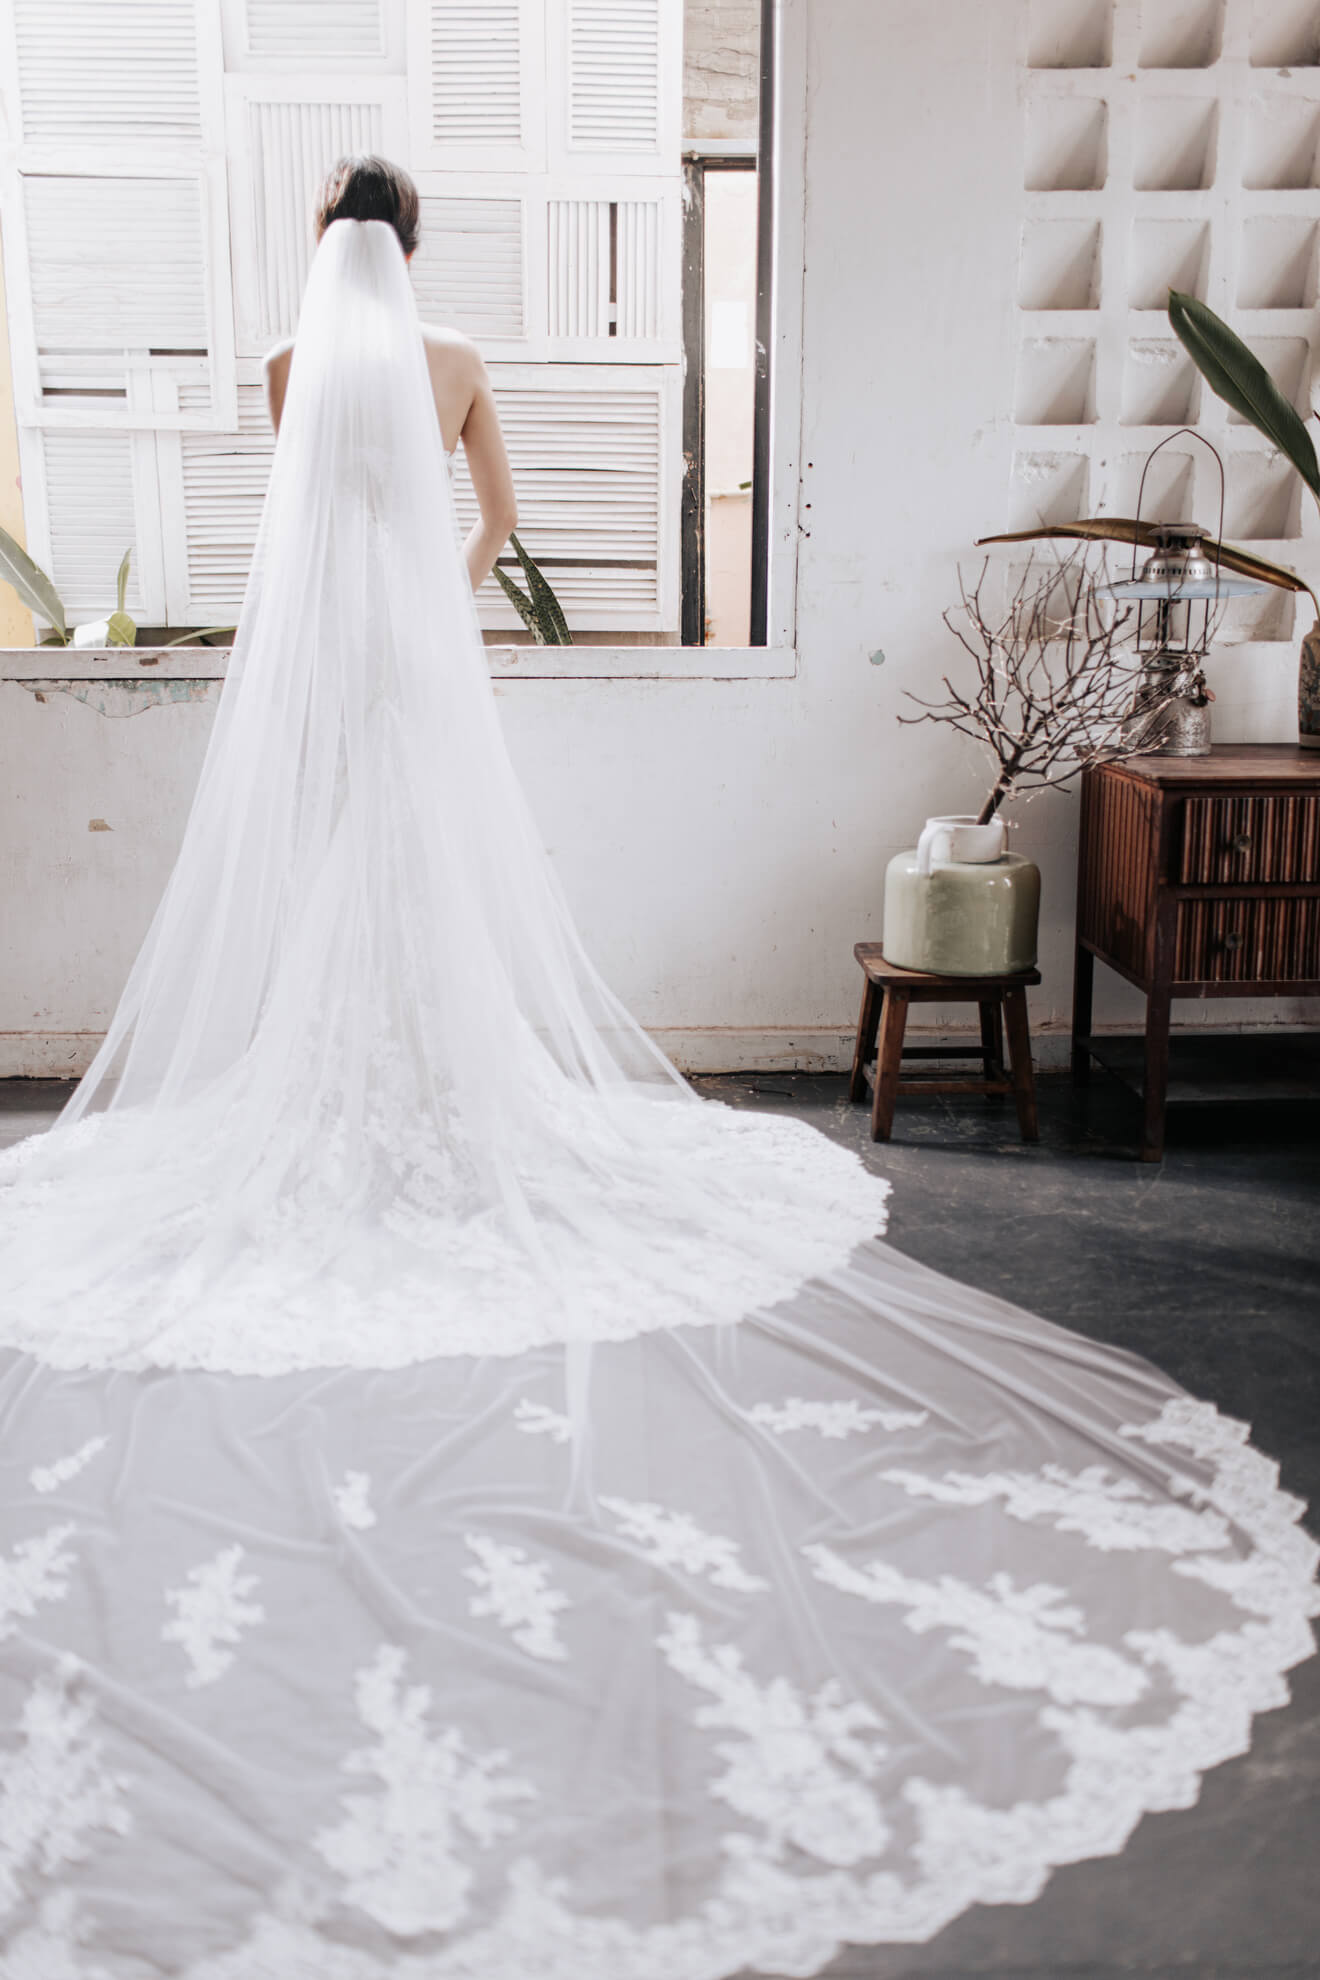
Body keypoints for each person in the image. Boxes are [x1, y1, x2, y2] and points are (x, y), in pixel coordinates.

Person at [0, 156, 1314, 1980]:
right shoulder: (455, 354)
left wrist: (345, 624)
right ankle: (446, 1101)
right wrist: (433, 615)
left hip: (325, 677)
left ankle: (337, 1097)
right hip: (421, 665)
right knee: (437, 893)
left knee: (334, 893)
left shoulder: (298, 367)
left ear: (324, 247)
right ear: (421, 247)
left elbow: (282, 545)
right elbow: (495, 524)